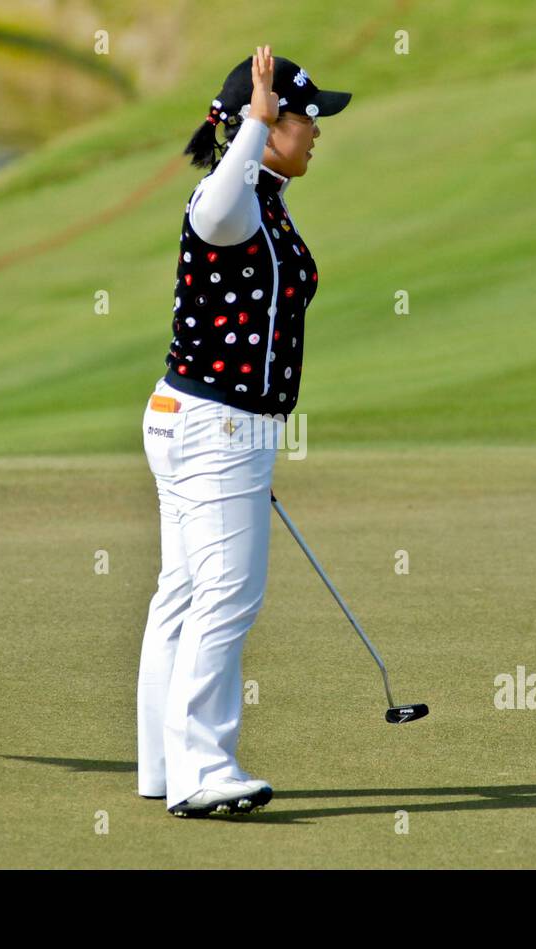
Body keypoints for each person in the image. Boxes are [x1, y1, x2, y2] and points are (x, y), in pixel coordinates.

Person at [137, 46, 351, 818]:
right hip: (215, 424)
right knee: (226, 595)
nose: (319, 129)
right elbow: (217, 205)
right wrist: (254, 125)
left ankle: (163, 766)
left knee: (186, 593)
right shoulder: (225, 201)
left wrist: (256, 137)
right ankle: (202, 771)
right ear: (269, 122)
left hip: (197, 418)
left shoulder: (264, 195)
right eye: (309, 116)